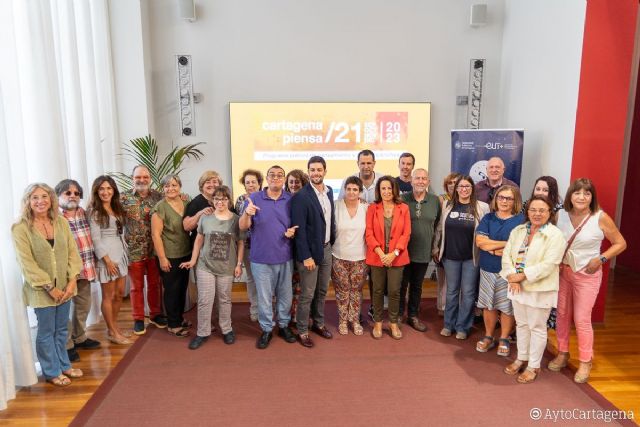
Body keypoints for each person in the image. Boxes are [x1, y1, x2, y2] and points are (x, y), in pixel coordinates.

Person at [549, 178, 626, 383]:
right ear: (570, 195)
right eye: (577, 193)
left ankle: (585, 361)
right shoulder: (561, 215)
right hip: (564, 272)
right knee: (562, 315)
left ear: (592, 197)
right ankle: (563, 353)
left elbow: (620, 243)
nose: (582, 197)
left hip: (587, 274)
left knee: (582, 319)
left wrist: (600, 258)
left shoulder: (600, 217)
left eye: (587, 193)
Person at [12, 183, 83, 386]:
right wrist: (49, 288)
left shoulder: (60, 222)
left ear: (51, 199)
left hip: (66, 287)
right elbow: (26, 263)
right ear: (28, 201)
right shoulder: (20, 228)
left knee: (61, 329)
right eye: (35, 197)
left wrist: (71, 281)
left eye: (44, 196)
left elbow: (72, 252)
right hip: (41, 290)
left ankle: (64, 365)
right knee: (46, 331)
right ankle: (52, 371)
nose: (40, 201)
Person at [501, 195, 565, 384]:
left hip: (539, 289)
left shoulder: (555, 235)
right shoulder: (518, 230)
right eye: (533, 210)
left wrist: (522, 276)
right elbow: (507, 255)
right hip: (516, 286)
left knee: (536, 327)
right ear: (527, 212)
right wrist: (511, 277)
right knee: (521, 324)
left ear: (549, 213)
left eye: (542, 210)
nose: (537, 214)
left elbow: (550, 264)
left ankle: (533, 365)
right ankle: (521, 357)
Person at [240, 165, 298, 349]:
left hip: (285, 256)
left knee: (285, 296)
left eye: (279, 175)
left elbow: (297, 225)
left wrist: (293, 232)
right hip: (261, 258)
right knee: (264, 298)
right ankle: (266, 329)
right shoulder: (254, 198)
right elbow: (243, 226)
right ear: (266, 178)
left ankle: (283, 325)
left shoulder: (290, 199)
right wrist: (247, 214)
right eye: (272, 175)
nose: (275, 178)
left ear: (283, 179)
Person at [181, 186, 244, 349]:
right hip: (205, 266)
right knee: (204, 300)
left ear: (228, 200)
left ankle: (227, 329)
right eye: (216, 199)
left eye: (223, 199)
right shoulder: (205, 218)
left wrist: (238, 264)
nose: (220, 202)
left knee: (224, 299)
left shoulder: (236, 219)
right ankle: (202, 332)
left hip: (226, 267)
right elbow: (198, 240)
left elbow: (240, 242)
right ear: (212, 201)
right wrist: (193, 261)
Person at [434, 175, 489, 340]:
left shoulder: (482, 207)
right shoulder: (447, 205)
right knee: (451, 292)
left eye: (467, 186)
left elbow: (485, 231)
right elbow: (439, 229)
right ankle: (448, 324)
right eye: (461, 186)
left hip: (471, 258)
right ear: (456, 189)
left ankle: (463, 327)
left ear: (472, 189)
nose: (464, 189)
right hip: (450, 256)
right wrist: (436, 247)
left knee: (468, 293)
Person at [291, 156, 336, 347]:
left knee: (322, 291)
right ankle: (302, 330)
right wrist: (306, 256)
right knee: (307, 294)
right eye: (312, 170)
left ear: (325, 171)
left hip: (326, 250)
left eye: (319, 169)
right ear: (308, 172)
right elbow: (299, 231)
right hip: (309, 254)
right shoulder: (301, 196)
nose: (316, 173)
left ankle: (318, 323)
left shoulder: (329, 191)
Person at [475, 185, 524, 356]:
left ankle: (504, 337)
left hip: (509, 272)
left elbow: (520, 248)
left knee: (506, 306)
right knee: (489, 305)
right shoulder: (488, 218)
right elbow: (481, 242)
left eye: (508, 198)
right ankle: (489, 336)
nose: (504, 201)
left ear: (515, 201)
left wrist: (494, 246)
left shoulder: (521, 221)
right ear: (496, 199)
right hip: (488, 268)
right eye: (501, 197)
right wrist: (507, 245)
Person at [55, 179, 101, 363]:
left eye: (76, 193)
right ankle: (67, 346)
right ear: (58, 195)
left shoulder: (84, 213)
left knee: (83, 306)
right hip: (66, 273)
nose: (73, 196)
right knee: (64, 310)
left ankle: (79, 337)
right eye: (68, 193)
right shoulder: (55, 217)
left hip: (86, 268)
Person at [121, 166, 167, 336]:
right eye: (138, 177)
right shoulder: (123, 198)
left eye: (145, 177)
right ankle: (138, 318)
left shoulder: (158, 196)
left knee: (155, 284)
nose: (142, 180)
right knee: (136, 287)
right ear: (132, 178)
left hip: (155, 249)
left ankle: (155, 314)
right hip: (134, 251)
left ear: (150, 178)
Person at [365, 176, 411, 339]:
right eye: (383, 188)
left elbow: (406, 234)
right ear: (379, 190)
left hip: (397, 258)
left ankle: (392, 323)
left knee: (394, 291)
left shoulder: (403, 208)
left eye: (389, 188)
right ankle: (377, 322)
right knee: (377, 290)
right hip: (377, 257)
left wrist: (394, 253)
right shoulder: (372, 208)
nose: (386, 191)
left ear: (394, 190)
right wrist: (381, 253)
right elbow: (369, 234)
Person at [88, 176, 130, 345]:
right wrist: (106, 260)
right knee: (109, 295)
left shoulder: (116, 207)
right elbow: (95, 239)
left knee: (120, 294)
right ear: (96, 192)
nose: (105, 192)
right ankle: (112, 331)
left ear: (114, 190)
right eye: (102, 189)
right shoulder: (94, 212)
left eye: (109, 188)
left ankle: (114, 326)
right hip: (107, 258)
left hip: (120, 254)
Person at [399, 168, 440, 331]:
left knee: (417, 286)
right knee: (401, 285)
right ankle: (399, 315)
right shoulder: (402, 199)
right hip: (403, 251)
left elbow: (436, 225)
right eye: (417, 178)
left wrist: (434, 246)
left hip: (423, 251)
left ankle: (413, 316)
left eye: (424, 179)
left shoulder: (435, 200)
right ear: (411, 181)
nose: (421, 181)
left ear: (428, 182)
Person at [151, 174, 192, 338]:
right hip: (169, 255)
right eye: (167, 186)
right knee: (172, 290)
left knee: (182, 289)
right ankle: (173, 324)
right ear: (163, 189)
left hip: (185, 253)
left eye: (174, 185)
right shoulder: (160, 207)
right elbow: (155, 235)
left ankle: (179, 318)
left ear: (180, 187)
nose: (171, 188)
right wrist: (162, 258)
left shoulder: (186, 203)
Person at [331, 176, 368, 335]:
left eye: (355, 189)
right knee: (342, 291)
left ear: (360, 192)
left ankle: (355, 320)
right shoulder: (335, 206)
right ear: (344, 190)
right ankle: (343, 321)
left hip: (360, 258)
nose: (351, 192)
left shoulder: (367, 208)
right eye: (348, 189)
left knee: (356, 291)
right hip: (339, 256)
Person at [235, 169, 263, 322]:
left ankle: (267, 309)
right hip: (247, 246)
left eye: (253, 182)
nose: (250, 185)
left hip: (265, 246)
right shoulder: (240, 200)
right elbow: (239, 223)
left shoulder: (266, 197)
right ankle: (255, 309)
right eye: (247, 182)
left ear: (259, 183)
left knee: (266, 279)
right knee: (252, 279)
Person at [284, 168, 308, 324]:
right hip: (284, 248)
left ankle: (297, 317)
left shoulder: (306, 199)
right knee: (286, 287)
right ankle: (285, 317)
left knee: (300, 286)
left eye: (297, 182)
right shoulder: (283, 198)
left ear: (303, 183)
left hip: (301, 249)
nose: (293, 184)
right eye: (291, 182)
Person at [435, 172, 461, 316]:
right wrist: (436, 247)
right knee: (443, 280)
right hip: (443, 245)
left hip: (459, 246)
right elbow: (437, 225)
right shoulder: (441, 199)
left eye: (456, 182)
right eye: (450, 183)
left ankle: (455, 308)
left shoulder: (467, 201)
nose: (453, 185)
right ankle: (442, 307)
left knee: (458, 283)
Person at [183, 170, 222, 246]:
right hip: (200, 248)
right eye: (208, 182)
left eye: (214, 182)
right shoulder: (196, 202)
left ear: (219, 185)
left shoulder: (225, 201)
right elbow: (186, 226)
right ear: (202, 185)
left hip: (220, 247)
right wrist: (199, 214)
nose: (212, 184)